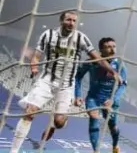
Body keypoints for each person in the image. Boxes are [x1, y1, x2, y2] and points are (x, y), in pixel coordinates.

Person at [10, 10, 119, 153]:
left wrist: (112, 71)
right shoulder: (48, 35)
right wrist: (34, 67)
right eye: (68, 20)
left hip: (67, 85)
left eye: (74, 21)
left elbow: (97, 58)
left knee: (59, 122)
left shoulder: (81, 38)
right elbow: (36, 56)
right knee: (29, 111)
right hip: (47, 80)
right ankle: (14, 151)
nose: (71, 23)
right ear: (61, 21)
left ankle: (54, 125)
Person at [74, 37, 128, 153]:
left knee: (112, 126)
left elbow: (123, 85)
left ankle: (115, 145)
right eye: (108, 47)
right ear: (101, 50)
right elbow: (78, 77)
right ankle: (96, 150)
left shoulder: (120, 64)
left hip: (110, 99)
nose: (112, 50)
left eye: (114, 47)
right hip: (93, 97)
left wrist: (113, 99)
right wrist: (78, 95)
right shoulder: (91, 62)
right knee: (94, 117)